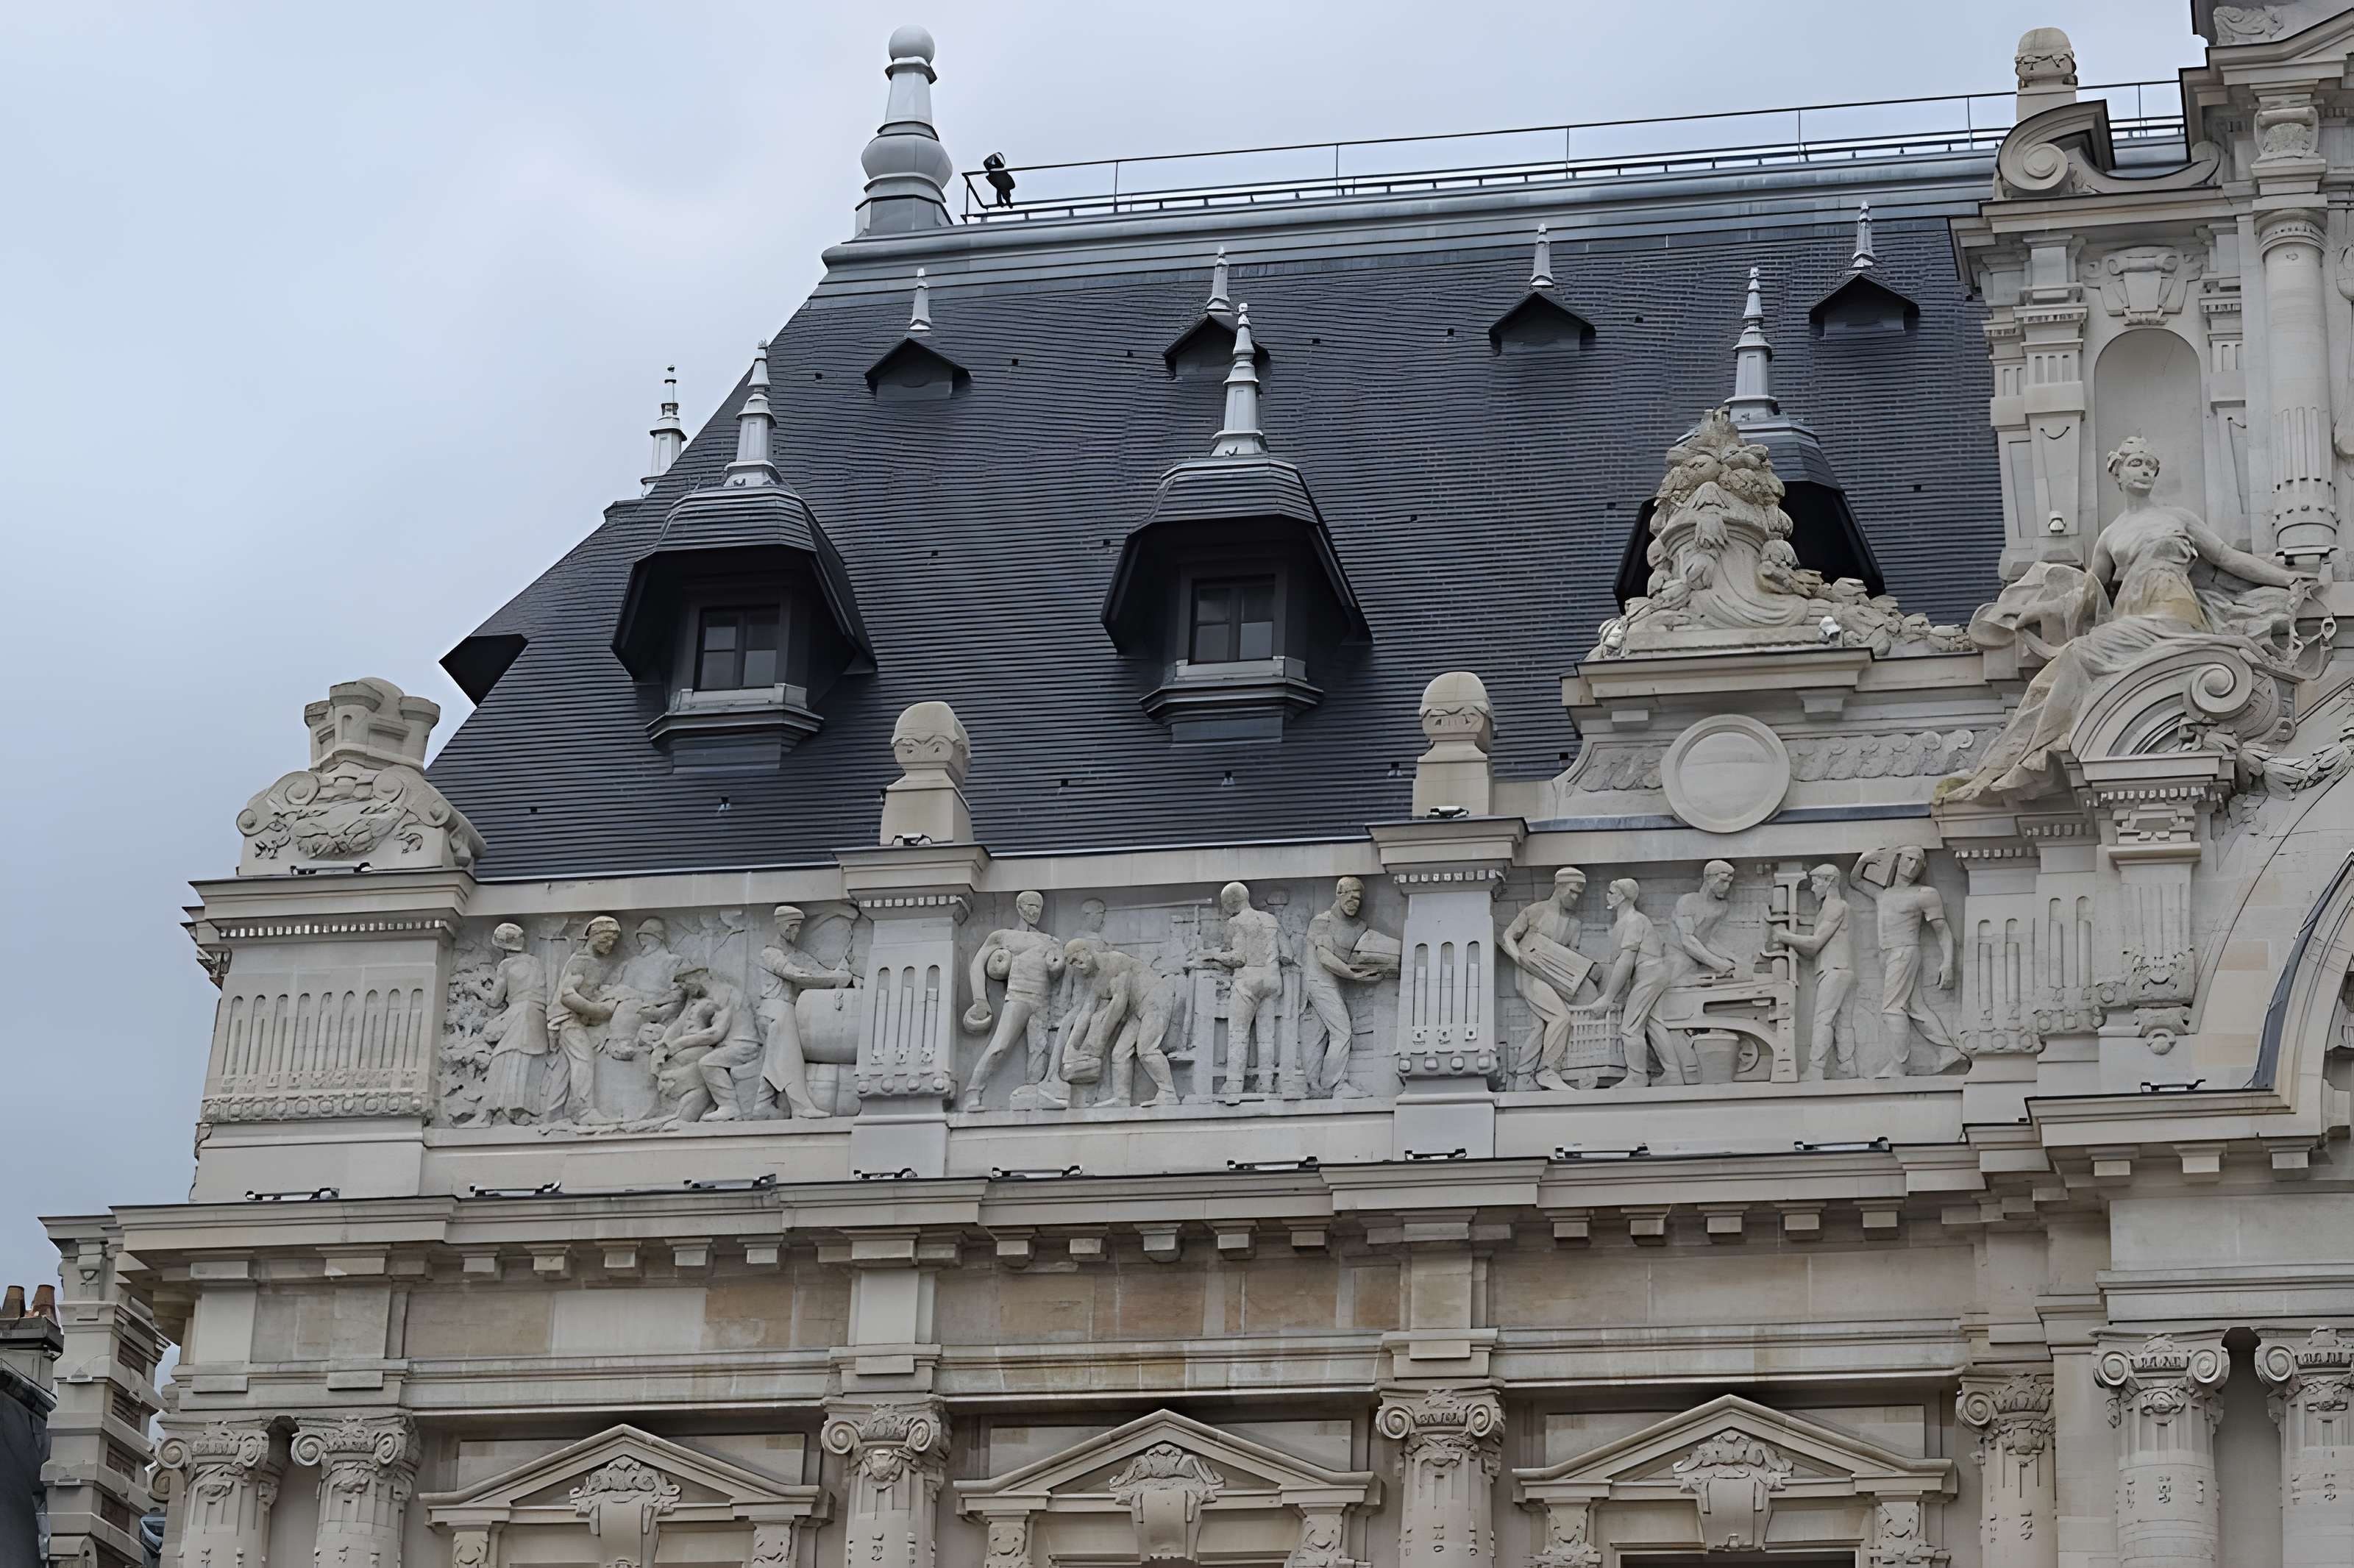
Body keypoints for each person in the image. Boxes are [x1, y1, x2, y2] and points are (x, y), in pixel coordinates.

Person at [1952, 435, 2320, 801]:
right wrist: (2034, 609)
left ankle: (2027, 756)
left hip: (2172, 612)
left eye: (2150, 466)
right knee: (2069, 661)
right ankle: (2018, 756)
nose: (2144, 471)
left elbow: (2226, 557)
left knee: (2076, 656)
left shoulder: (2178, 518)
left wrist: (2285, 578)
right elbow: (2088, 593)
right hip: (2129, 618)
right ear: (2118, 473)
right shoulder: (2110, 535)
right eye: (2136, 464)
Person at [1573, 879, 1696, 1088]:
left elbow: (1626, 962)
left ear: (1622, 897)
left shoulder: (1633, 921)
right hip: (1653, 974)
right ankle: (1673, 1073)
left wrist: (1607, 998)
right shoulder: (1627, 921)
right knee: (1654, 1023)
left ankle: (1638, 1076)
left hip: (1649, 975)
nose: (1608, 896)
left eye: (1612, 892)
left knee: (1630, 1028)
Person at [1857, 847, 1963, 1076]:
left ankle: (1899, 1065)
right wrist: (1865, 859)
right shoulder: (1883, 894)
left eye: (1918, 862)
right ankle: (1948, 1053)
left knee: (1892, 1009)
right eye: (1909, 859)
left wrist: (1948, 963)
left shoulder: (1924, 894)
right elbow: (1856, 881)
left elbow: (1942, 931)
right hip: (1888, 955)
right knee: (1916, 1007)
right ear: (1898, 860)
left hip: (1904, 952)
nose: (1913, 866)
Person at [961, 891, 1064, 1109]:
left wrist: (1057, 965)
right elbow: (977, 964)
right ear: (1019, 907)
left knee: (1039, 1050)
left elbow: (1057, 971)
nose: (1034, 911)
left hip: (1043, 1000)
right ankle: (973, 1092)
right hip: (1019, 996)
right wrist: (980, 1000)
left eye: (1038, 907)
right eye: (1030, 906)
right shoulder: (1003, 936)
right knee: (1000, 1046)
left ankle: (1033, 1094)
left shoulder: (1050, 940)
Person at [754, 905, 857, 1119]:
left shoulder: (793, 953)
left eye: (798, 927)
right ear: (784, 927)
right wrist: (833, 979)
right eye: (794, 927)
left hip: (785, 1010)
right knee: (789, 1059)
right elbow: (798, 976)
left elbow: (817, 970)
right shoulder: (770, 954)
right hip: (776, 1010)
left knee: (774, 1058)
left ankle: (761, 1105)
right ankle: (800, 1107)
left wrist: (840, 972)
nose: (797, 932)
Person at [1501, 867, 1594, 1091]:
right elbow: (1508, 936)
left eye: (1579, 894)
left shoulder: (1574, 924)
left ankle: (1524, 1077)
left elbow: (1571, 956)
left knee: (1538, 1027)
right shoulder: (1536, 911)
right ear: (1559, 887)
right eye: (1572, 892)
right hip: (1530, 976)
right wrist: (1519, 957)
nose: (1575, 898)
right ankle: (1548, 1070)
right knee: (1561, 1018)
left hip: (1555, 980)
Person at [1302, 877, 1397, 1098]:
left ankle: (1316, 1087)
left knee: (1320, 1034)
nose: (1355, 902)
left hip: (1334, 983)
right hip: (1318, 982)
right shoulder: (1322, 921)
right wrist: (1354, 975)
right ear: (1339, 894)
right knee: (1342, 1031)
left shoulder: (1359, 926)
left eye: (1358, 899)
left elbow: (1366, 950)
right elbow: (1324, 957)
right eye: (1350, 897)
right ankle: (1335, 1085)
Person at [1766, 863, 1857, 1079]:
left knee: (1823, 1019)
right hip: (1840, 969)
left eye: (1816, 883)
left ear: (1830, 881)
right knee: (1842, 1021)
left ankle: (1816, 1069)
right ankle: (1847, 1066)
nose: (1813, 888)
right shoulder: (1830, 908)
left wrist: (1783, 935)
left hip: (1835, 969)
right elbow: (1813, 950)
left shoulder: (1835, 906)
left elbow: (1815, 944)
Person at [1066, 941, 1180, 1108]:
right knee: (1119, 1053)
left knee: (1146, 1049)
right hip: (1138, 1010)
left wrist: (1097, 1045)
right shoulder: (1098, 980)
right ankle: (1122, 1099)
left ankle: (1168, 1093)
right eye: (1072, 964)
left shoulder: (1114, 961)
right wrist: (1071, 1048)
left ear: (1086, 951)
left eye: (1076, 959)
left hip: (1155, 1000)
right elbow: (1086, 1012)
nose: (1076, 966)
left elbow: (1119, 1005)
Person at [1206, 882, 1286, 1097]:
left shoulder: (1236, 921)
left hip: (1249, 981)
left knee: (1238, 1032)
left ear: (1229, 904)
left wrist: (1214, 955)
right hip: (1272, 980)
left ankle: (1234, 1084)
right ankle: (1266, 1083)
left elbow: (1238, 958)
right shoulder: (1271, 919)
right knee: (1266, 1035)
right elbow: (1287, 954)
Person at [655, 963, 761, 1122]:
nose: (685, 989)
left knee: (708, 1063)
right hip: (727, 1047)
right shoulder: (708, 997)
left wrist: (677, 1045)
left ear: (696, 977)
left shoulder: (724, 993)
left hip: (743, 1045)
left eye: (685, 983)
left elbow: (714, 1034)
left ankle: (729, 1107)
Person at [544, 916, 621, 1124]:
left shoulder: (589, 961)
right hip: (568, 1019)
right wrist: (598, 1011)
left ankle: (552, 1115)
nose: (610, 944)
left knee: (563, 1068)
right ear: (594, 935)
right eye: (606, 938)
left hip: (565, 1020)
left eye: (613, 940)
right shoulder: (582, 961)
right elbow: (568, 995)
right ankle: (584, 1112)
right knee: (584, 1060)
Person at [479, 922, 550, 1124]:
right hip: (538, 1014)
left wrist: (476, 988)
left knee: (505, 1058)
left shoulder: (506, 965)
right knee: (528, 1060)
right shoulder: (536, 962)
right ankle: (523, 1109)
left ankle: (507, 1109)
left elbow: (494, 1000)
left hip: (519, 1013)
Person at [1666, 860, 1741, 985]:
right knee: (1682, 968)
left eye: (1729, 883)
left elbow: (1706, 940)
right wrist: (1719, 963)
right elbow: (1687, 941)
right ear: (1708, 878)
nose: (1727, 887)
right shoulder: (1688, 901)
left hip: (1699, 957)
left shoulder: (1721, 907)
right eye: (1723, 881)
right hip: (1678, 956)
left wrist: (1735, 961)